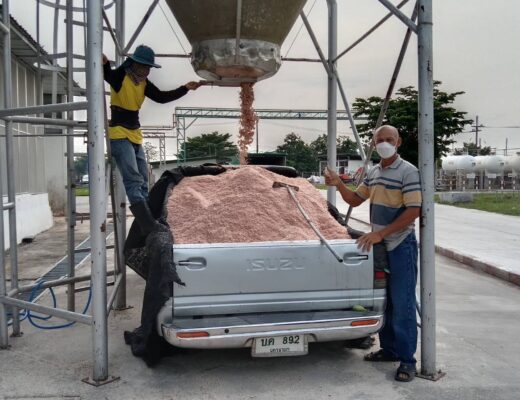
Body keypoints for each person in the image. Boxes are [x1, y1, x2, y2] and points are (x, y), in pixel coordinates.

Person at [324, 125, 422, 382]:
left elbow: (414, 210)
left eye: (389, 139)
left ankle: (407, 361)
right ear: (373, 143)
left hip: (400, 244)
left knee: (402, 304)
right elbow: (355, 200)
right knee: (385, 302)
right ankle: (389, 350)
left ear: (398, 142)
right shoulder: (374, 171)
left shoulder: (408, 171)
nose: (384, 144)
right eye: (380, 140)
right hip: (381, 246)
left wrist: (381, 233)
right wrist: (338, 183)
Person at [102, 44, 201, 235]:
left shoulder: (143, 83)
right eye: (145, 67)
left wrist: (185, 88)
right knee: (133, 179)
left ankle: (149, 220)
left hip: (134, 133)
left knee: (143, 180)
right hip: (119, 134)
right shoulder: (121, 76)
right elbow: (108, 75)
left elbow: (161, 97)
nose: (147, 71)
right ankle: (149, 226)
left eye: (149, 67)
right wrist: (105, 63)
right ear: (135, 64)